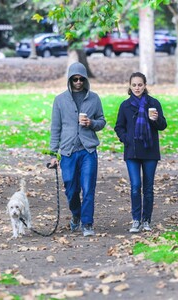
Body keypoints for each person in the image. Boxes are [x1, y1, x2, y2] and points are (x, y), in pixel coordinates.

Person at [50, 62, 106, 237]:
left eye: (81, 79)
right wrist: (53, 153)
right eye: (75, 79)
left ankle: (87, 223)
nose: (78, 82)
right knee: (71, 188)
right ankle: (76, 214)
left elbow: (102, 121)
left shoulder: (94, 98)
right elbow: (55, 128)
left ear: (86, 80)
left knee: (88, 187)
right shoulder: (60, 100)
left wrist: (92, 123)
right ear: (69, 80)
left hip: (88, 150)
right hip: (67, 151)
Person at [114, 72, 167, 233]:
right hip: (132, 151)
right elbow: (119, 126)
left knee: (148, 187)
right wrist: (126, 139)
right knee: (135, 186)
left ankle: (146, 220)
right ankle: (136, 219)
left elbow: (163, 125)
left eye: (140, 85)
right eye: (134, 85)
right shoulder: (125, 105)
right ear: (130, 86)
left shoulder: (153, 103)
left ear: (145, 86)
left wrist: (156, 119)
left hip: (150, 151)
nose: (137, 88)